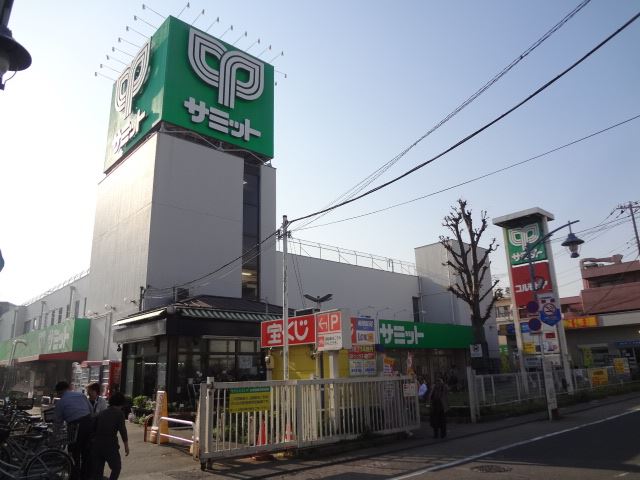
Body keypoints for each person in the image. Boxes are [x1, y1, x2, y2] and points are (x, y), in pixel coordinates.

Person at [54, 380, 93, 479]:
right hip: (88, 423)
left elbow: (57, 423)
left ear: (59, 392)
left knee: (74, 453)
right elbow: (91, 410)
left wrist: (54, 436)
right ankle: (86, 476)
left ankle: (75, 475)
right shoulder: (81, 395)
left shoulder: (60, 402)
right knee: (86, 453)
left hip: (74, 426)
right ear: (68, 388)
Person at [92, 392, 129, 480]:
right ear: (121, 403)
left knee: (98, 471)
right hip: (110, 445)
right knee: (116, 467)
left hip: (96, 444)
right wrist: (126, 446)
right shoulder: (119, 414)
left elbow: (93, 427)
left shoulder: (102, 413)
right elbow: (123, 431)